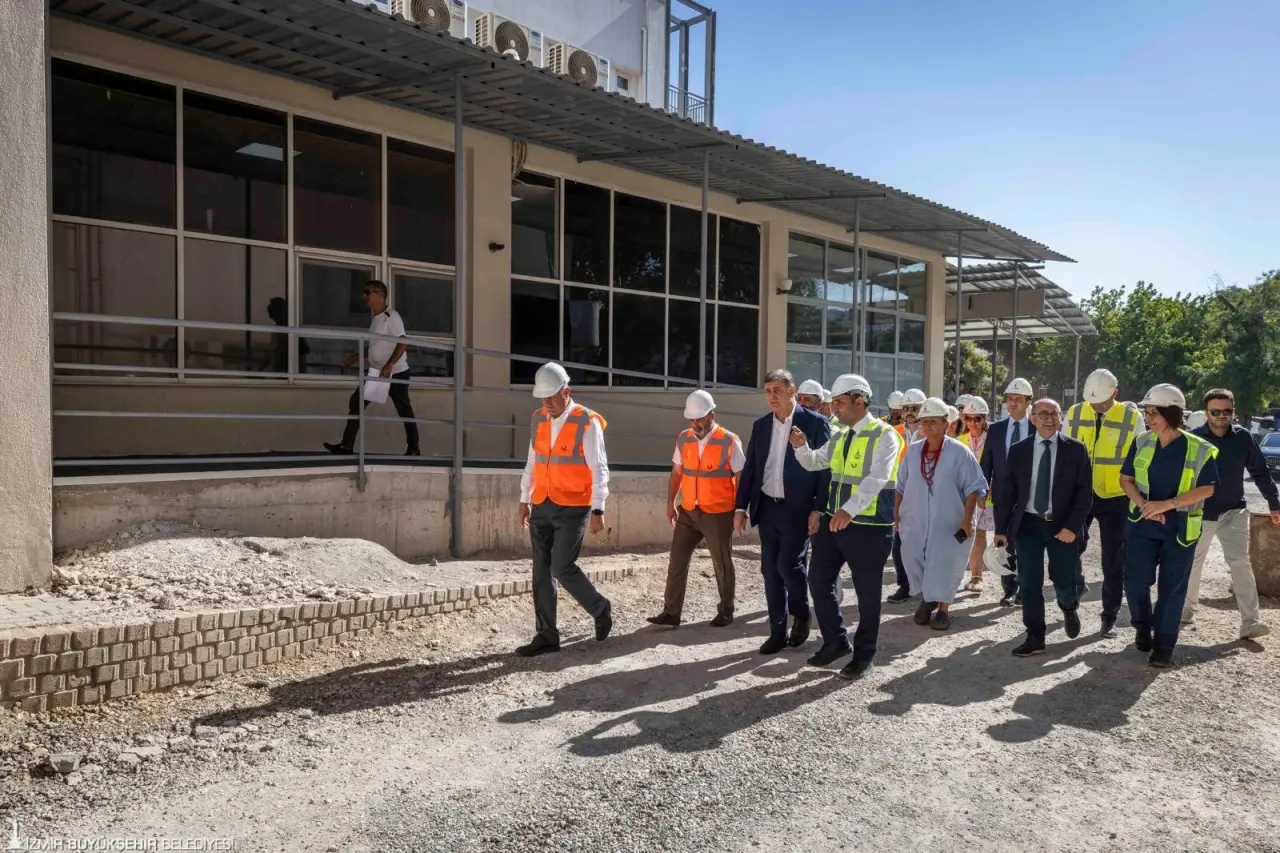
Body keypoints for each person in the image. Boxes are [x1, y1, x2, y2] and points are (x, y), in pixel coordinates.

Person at [791, 374, 903, 680]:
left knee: (868, 594)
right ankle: (836, 642)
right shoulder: (839, 435)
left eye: (840, 402)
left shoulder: (885, 435)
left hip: (869, 527)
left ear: (859, 400)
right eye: (834, 402)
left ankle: (864, 654)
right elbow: (817, 462)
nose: (834, 408)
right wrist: (801, 448)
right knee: (818, 581)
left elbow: (878, 478)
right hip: (834, 522)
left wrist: (848, 510)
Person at [514, 362, 614, 657]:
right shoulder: (538, 419)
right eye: (542, 398)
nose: (546, 404)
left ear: (566, 392)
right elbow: (532, 461)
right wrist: (524, 497)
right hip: (542, 502)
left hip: (574, 506)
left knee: (561, 566)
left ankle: (600, 607)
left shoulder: (587, 421)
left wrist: (599, 509)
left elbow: (599, 467)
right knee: (541, 571)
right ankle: (546, 634)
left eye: (551, 398)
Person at [1119, 384, 1219, 668]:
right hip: (1142, 523)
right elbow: (1125, 479)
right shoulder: (1141, 441)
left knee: (1172, 588)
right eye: (1147, 412)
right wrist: (1144, 505)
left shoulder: (1199, 448)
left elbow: (1207, 489)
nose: (1148, 417)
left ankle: (1163, 646)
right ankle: (1142, 624)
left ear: (1172, 413)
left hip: (1180, 527)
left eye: (1154, 412)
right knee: (1135, 581)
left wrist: (1167, 505)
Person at [735, 369, 832, 654]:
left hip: (798, 509)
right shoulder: (762, 425)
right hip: (767, 506)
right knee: (770, 570)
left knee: (788, 565)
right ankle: (777, 632)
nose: (771, 396)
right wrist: (740, 507)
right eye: (767, 391)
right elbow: (751, 467)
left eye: (777, 390)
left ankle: (801, 613)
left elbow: (826, 469)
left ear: (793, 391)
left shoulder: (814, 423)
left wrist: (819, 508)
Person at [995, 399, 1093, 656]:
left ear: (1061, 418)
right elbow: (1007, 493)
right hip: (1028, 525)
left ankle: (1069, 607)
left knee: (1063, 580)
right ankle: (1035, 636)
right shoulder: (1019, 450)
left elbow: (1084, 495)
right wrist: (1000, 529)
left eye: (1054, 414)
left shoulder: (1076, 450)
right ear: (1033, 419)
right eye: (1043, 414)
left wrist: (1073, 527)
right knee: (1029, 583)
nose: (1049, 418)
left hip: (1063, 528)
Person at [1184, 388, 1280, 638]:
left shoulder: (1244, 438)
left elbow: (1259, 472)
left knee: (1240, 562)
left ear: (1233, 412)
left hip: (1234, 512)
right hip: (1199, 513)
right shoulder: (1192, 439)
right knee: (1193, 562)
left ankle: (1250, 621)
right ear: (1206, 413)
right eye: (1216, 411)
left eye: (1227, 411)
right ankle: (1185, 610)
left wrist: (1274, 503)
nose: (1222, 416)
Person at [647, 390, 745, 629]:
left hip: (719, 511)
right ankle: (671, 612)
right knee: (677, 561)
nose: (695, 423)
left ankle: (726, 610)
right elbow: (677, 473)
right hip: (689, 510)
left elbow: (742, 477)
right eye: (691, 419)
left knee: (721, 562)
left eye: (699, 418)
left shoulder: (730, 441)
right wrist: (670, 504)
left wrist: (740, 511)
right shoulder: (684, 438)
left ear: (712, 415)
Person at [896, 397, 988, 631]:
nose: (927, 426)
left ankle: (943, 609)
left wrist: (967, 521)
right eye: (924, 422)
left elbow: (974, 487)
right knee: (912, 555)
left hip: (950, 520)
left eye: (933, 422)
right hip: (915, 518)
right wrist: (896, 515)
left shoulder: (960, 452)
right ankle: (928, 598)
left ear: (946, 424)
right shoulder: (914, 451)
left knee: (945, 562)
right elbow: (900, 485)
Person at [323, 280, 420, 457]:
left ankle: (414, 449)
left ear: (380, 295)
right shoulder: (376, 319)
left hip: (394, 373)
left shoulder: (392, 317)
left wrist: (390, 364)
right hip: (377, 373)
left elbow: (403, 341)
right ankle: (346, 446)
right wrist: (356, 357)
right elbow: (376, 345)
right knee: (357, 403)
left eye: (367, 292)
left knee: (404, 410)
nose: (364, 297)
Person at [981, 377, 1034, 607]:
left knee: (1028, 541)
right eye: (1009, 399)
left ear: (1028, 401)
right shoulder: (996, 430)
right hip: (1002, 495)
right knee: (1003, 542)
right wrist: (982, 489)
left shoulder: (1037, 427)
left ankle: (1026, 586)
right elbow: (987, 463)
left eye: (1017, 399)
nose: (1012, 404)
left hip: (1030, 494)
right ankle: (1009, 589)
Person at [886, 387, 929, 603]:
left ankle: (927, 587)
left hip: (926, 494)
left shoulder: (932, 431)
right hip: (900, 492)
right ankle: (905, 584)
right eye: (906, 408)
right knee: (898, 541)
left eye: (915, 408)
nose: (910, 412)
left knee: (926, 544)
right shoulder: (894, 432)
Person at [958, 398, 993, 592]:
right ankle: (955, 575)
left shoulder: (993, 440)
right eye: (968, 418)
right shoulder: (959, 441)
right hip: (963, 496)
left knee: (980, 534)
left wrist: (988, 490)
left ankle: (976, 577)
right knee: (961, 534)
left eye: (977, 418)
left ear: (984, 418)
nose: (972, 422)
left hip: (987, 497)